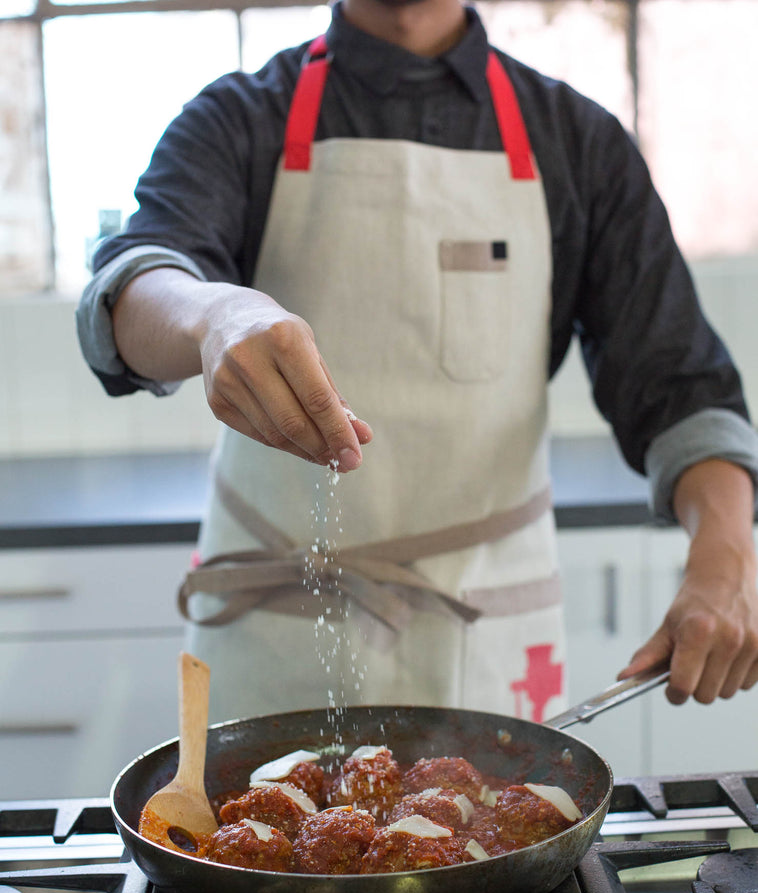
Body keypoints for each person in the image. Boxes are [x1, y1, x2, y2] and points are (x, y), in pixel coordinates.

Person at [76, 0, 758, 725]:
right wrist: (213, 316)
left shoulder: (577, 141)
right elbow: (133, 287)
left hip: (485, 624)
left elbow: (680, 388)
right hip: (276, 626)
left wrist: (726, 557)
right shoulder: (239, 117)